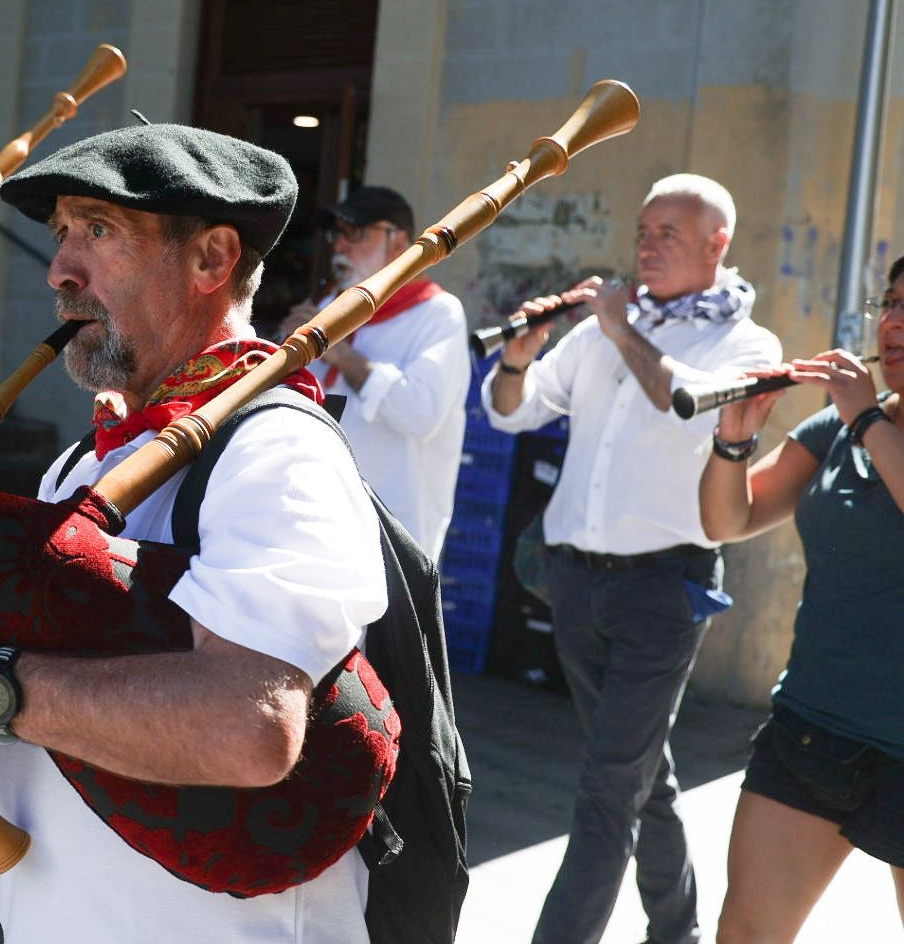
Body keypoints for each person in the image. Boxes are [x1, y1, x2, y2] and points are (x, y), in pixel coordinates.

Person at [0, 123, 390, 943]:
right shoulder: (83, 463)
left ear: (212, 260)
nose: (60, 270)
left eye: (98, 230)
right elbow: (70, 694)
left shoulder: (277, 450)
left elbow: (251, 727)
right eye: (60, 234)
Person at [482, 173, 782, 944]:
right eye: (643, 231)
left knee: (607, 790)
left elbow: (689, 412)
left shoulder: (747, 343)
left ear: (718, 245)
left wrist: (622, 331)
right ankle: (677, 929)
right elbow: (513, 414)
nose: (645, 247)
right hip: (575, 581)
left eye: (667, 235)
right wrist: (518, 358)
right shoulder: (608, 327)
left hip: (664, 589)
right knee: (639, 776)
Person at [698, 254, 904, 943]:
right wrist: (734, 438)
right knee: (745, 933)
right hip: (814, 733)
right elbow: (728, 520)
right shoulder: (838, 431)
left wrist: (868, 417)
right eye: (892, 302)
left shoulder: (860, 420)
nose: (896, 320)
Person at [278, 186, 469, 560]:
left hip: (391, 535)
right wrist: (283, 354)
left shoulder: (439, 314)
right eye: (338, 234)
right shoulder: (329, 307)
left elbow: (420, 413)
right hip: (312, 520)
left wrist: (343, 355)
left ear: (398, 243)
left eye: (356, 234)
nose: (340, 247)